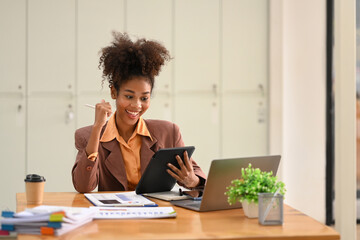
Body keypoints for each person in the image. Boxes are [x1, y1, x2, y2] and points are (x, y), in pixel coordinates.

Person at [72, 32, 206, 193]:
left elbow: (197, 176)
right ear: (114, 93)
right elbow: (83, 187)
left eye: (144, 98)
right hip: (115, 215)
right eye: (129, 96)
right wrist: (97, 128)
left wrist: (192, 181)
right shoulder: (87, 136)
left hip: (157, 214)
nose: (137, 105)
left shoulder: (168, 132)